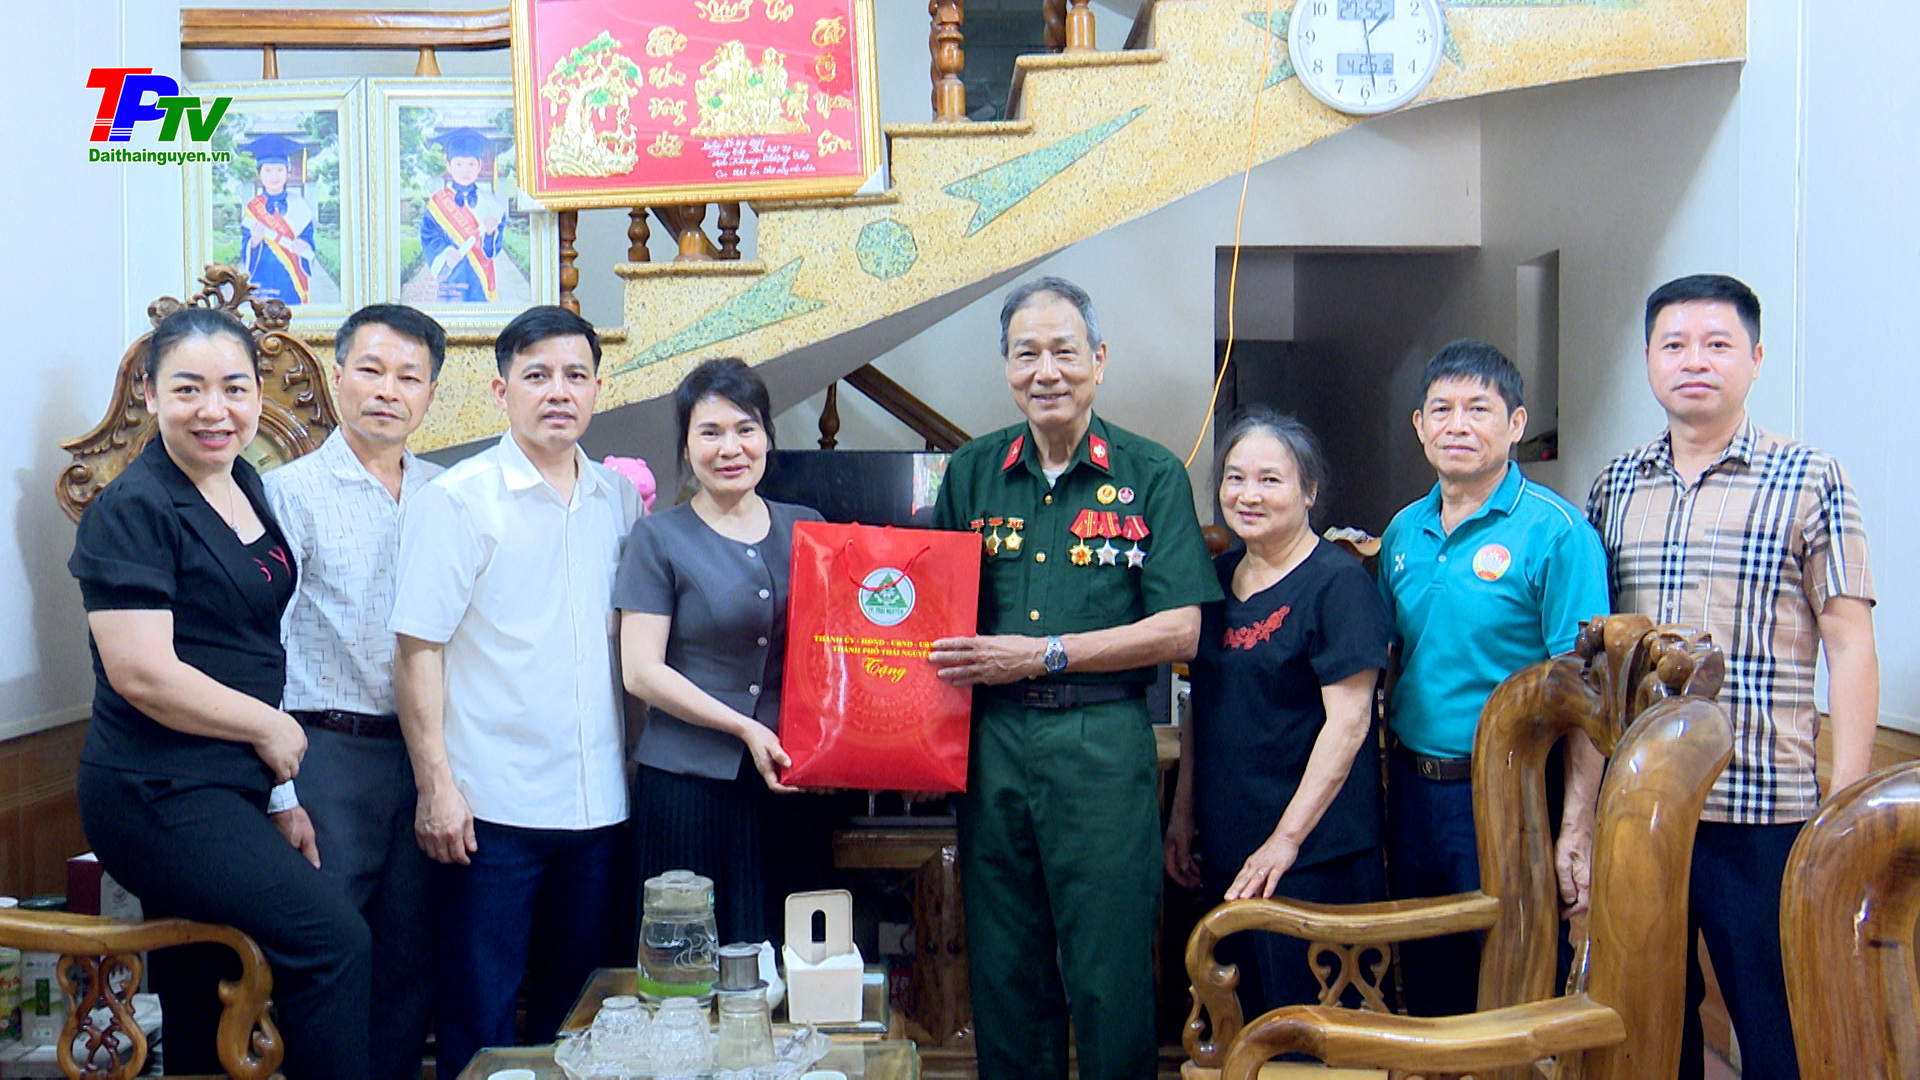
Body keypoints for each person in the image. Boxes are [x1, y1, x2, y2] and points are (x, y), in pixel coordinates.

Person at [1586, 274, 1878, 1080]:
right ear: (1648, 360)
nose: (1695, 362)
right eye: (1674, 345)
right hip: (1642, 807)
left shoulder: (1809, 477)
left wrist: (1845, 799)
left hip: (1765, 806)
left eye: (1717, 345)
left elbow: (1850, 642)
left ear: (1753, 358)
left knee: (1778, 1023)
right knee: (1652, 1023)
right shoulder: (1617, 486)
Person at [929, 277, 1220, 1080]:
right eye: (1028, 354)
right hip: (991, 748)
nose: (1046, 371)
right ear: (1006, 368)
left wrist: (1045, 652)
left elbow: (1180, 628)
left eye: (1064, 351)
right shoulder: (973, 473)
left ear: (1098, 360)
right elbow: (925, 607)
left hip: (1101, 744)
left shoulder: (1150, 474)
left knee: (1109, 969)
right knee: (1004, 966)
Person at [69, 306, 369, 1079]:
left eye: (234, 388)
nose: (214, 410)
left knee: (202, 983)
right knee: (332, 939)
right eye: (188, 388)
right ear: (148, 392)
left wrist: (280, 794)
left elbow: (249, 648)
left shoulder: (242, 479)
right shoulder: (131, 508)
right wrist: (270, 730)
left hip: (229, 784)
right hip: (154, 789)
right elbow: (141, 671)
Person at [389, 305, 641, 1077]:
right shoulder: (461, 500)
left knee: (584, 1012)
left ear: (598, 388)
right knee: (483, 1013)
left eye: (574, 376)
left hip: (599, 804)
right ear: (502, 391)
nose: (556, 392)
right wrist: (437, 787)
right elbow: (416, 649)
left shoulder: (619, 501)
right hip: (489, 809)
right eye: (536, 376)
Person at [1376, 339, 1609, 1017]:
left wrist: (1578, 824)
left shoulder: (1558, 532)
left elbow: (1586, 693)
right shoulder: (1401, 532)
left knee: (1519, 976)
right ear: (1418, 426)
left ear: (1515, 424)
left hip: (1513, 789)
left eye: (1479, 408)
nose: (1457, 424)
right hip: (1416, 793)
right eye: (1441, 409)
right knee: (1427, 973)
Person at [263, 304, 446, 1080]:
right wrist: (281, 790)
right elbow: (257, 642)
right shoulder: (285, 493)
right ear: (337, 376)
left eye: (409, 377)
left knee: (413, 957)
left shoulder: (449, 494)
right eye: (370, 370)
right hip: (327, 752)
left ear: (431, 394)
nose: (387, 391)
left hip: (429, 756)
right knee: (331, 954)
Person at [1163, 408, 1393, 1017]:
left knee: (1306, 1033)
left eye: (1270, 479)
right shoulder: (1211, 583)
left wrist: (1284, 842)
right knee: (1236, 1021)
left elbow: (1349, 725)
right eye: (1235, 478)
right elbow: (1201, 710)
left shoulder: (1338, 584)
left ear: (1309, 490)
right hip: (1228, 841)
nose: (1249, 494)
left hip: (1312, 854)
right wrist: (1182, 815)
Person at [615, 358, 826, 943]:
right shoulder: (657, 538)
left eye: (745, 429)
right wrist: (744, 729)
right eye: (709, 432)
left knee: (792, 962)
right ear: (686, 446)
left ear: (767, 437)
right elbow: (641, 671)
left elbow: (835, 651)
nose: (729, 448)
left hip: (789, 784)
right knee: (691, 966)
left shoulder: (808, 528)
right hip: (688, 788)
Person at [419, 127, 506, 305]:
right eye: (458, 164)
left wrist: (490, 234)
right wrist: (446, 251)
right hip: (452, 276)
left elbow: (492, 252)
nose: (465, 170)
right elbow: (429, 237)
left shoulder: (492, 204)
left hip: (481, 279)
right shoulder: (437, 204)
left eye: (471, 164)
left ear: (480, 166)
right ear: (449, 166)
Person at [241, 133, 316, 306]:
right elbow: (244, 247)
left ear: (287, 173)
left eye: (280, 170)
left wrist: (303, 245)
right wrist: (254, 242)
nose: (274, 176)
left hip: (291, 276)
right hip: (262, 274)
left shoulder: (300, 205)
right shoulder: (253, 208)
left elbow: (308, 239)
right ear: (259, 174)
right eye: (268, 170)